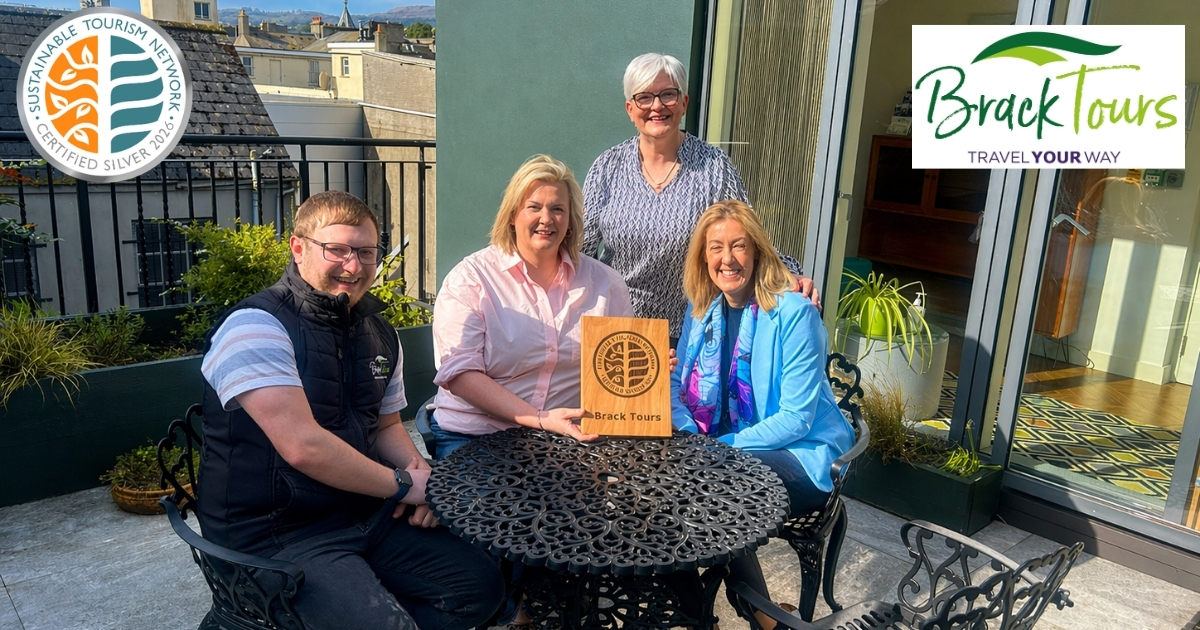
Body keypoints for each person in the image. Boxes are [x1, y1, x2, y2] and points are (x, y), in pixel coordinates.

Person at [198, 190, 503, 630]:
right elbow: (303, 446)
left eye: (365, 252)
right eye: (336, 250)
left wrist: (422, 477)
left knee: (481, 588)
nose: (354, 266)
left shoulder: (380, 333)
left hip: (362, 513)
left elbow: (385, 427)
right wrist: (401, 485)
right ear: (298, 247)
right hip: (276, 535)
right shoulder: (255, 327)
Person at [670, 200, 854, 627]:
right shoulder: (701, 311)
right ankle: (744, 614)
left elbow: (797, 418)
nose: (727, 258)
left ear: (756, 252)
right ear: (703, 257)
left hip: (802, 453)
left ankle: (750, 618)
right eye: (715, 248)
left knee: (715, 495)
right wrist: (684, 429)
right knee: (675, 490)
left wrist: (717, 448)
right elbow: (681, 395)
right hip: (727, 453)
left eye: (738, 246)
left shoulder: (794, 314)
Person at [582, 52, 818, 345]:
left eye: (668, 94)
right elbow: (580, 250)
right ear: (630, 109)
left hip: (693, 332)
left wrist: (790, 275)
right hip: (617, 332)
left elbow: (749, 237)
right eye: (644, 97)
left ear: (683, 103)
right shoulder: (607, 167)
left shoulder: (713, 166)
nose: (657, 106)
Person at [429, 154, 635, 459]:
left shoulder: (606, 283)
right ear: (512, 215)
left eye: (557, 209)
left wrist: (644, 368)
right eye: (534, 207)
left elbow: (617, 368)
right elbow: (460, 375)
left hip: (567, 439)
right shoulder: (471, 279)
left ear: (571, 219)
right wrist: (539, 419)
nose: (546, 219)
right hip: (476, 435)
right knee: (493, 507)